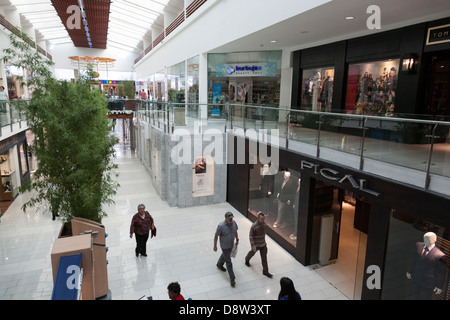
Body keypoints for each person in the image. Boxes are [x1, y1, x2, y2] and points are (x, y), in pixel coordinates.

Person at [406, 232, 447, 300]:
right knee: (413, 297)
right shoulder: (418, 245)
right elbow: (414, 259)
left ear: (435, 240)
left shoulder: (440, 255)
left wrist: (439, 286)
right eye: (425, 238)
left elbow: (441, 272)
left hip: (427, 283)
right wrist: (410, 270)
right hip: (416, 278)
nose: (426, 241)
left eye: (429, 239)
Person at [214, 211, 239, 287]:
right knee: (229, 262)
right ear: (225, 218)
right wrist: (215, 246)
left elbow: (235, 231)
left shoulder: (234, 223)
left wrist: (237, 239)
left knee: (225, 255)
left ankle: (219, 264)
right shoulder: (221, 226)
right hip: (224, 246)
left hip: (231, 244)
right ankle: (232, 279)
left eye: (232, 218)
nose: (231, 219)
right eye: (229, 218)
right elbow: (216, 236)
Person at [245, 211, 273, 278]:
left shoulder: (264, 224)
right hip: (256, 244)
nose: (263, 220)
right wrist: (253, 246)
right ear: (258, 218)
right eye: (262, 219)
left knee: (264, 258)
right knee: (252, 253)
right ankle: (247, 259)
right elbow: (251, 236)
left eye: (264, 219)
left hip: (263, 244)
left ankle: (265, 271)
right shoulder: (254, 226)